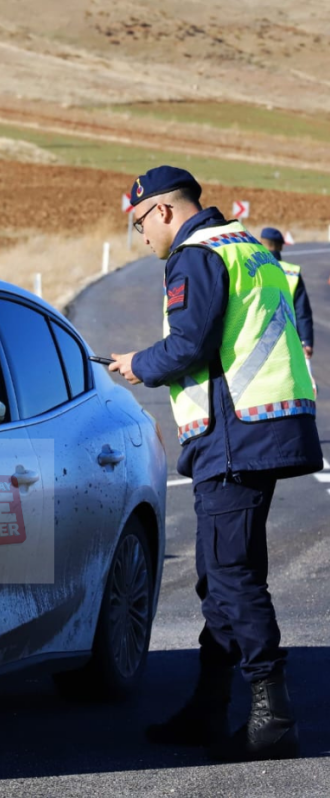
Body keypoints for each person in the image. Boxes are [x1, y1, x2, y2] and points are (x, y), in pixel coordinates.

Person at [109, 166, 323, 762]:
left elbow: (189, 346)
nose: (141, 236)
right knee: (218, 574)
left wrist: (137, 363)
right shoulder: (247, 247)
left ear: (164, 212)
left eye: (139, 223)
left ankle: (271, 714)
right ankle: (209, 708)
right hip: (262, 426)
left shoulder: (196, 255)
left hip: (235, 436)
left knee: (231, 575)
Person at [259, 227, 314, 361]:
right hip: (287, 342)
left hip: (257, 340)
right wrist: (305, 341)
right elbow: (302, 311)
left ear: (261, 243)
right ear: (281, 247)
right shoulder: (292, 272)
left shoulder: (254, 267)